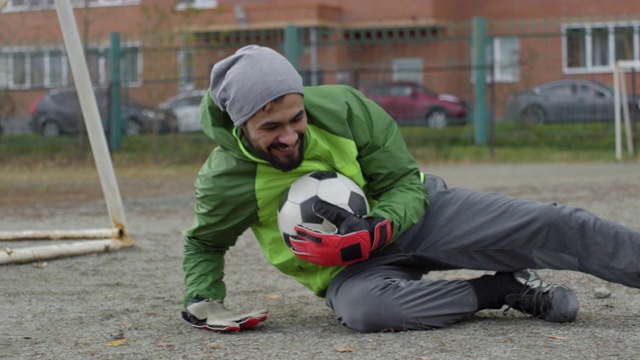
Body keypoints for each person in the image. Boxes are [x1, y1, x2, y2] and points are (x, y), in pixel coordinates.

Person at [181, 45, 640, 333]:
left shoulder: (344, 108)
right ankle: (501, 291)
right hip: (349, 273)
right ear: (241, 126)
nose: (289, 136)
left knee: (551, 223)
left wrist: (375, 228)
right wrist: (204, 300)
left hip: (421, 218)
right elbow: (204, 241)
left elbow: (403, 182)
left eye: (296, 119)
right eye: (270, 128)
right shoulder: (226, 179)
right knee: (368, 315)